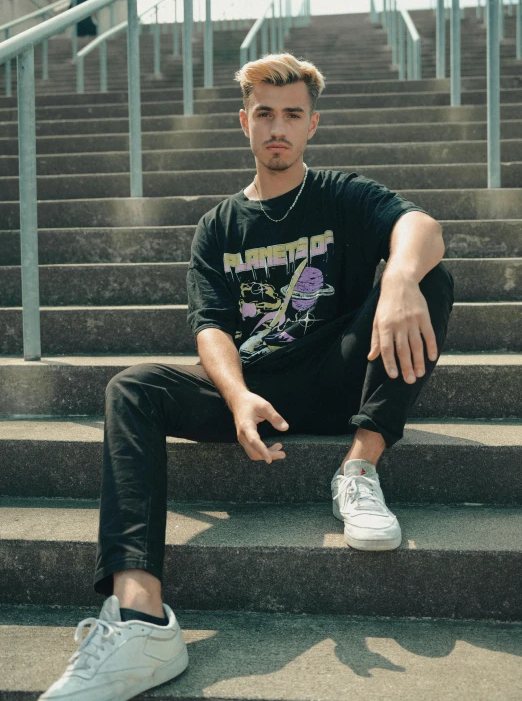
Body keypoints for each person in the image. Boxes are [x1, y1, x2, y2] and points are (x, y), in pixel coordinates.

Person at [39, 52, 454, 700]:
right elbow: (210, 327)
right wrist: (236, 396)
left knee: (429, 274)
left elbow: (420, 226)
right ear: (245, 122)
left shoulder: (339, 194)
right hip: (256, 390)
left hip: (341, 372)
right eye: (265, 114)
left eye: (292, 114)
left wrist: (399, 277)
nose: (278, 127)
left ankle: (359, 468)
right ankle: (142, 617)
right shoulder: (218, 226)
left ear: (313, 123)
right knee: (133, 387)